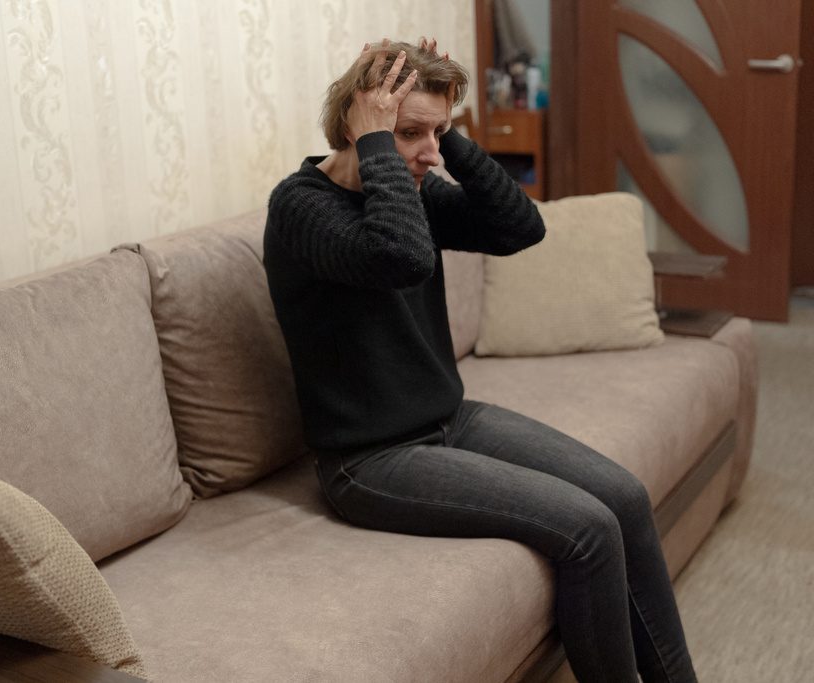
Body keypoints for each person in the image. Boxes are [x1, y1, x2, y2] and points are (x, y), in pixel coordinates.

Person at [263, 38, 698, 683]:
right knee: (587, 530)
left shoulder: (409, 182)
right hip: (370, 459)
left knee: (624, 499)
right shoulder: (301, 208)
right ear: (356, 125)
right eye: (409, 132)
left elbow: (521, 226)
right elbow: (399, 257)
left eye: (435, 132)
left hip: (449, 420)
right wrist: (386, 147)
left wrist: (446, 136)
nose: (427, 153)